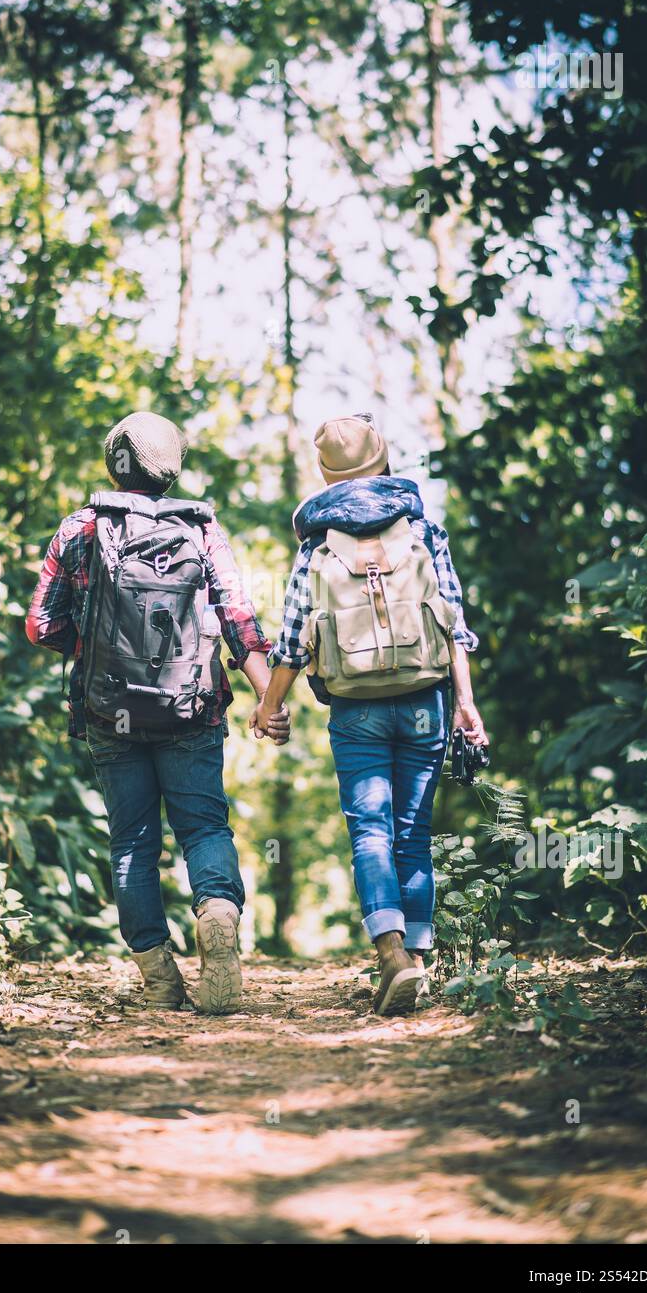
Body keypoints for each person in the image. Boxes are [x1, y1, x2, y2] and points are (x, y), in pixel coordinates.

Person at [26, 410, 289, 1014]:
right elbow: (238, 619)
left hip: (109, 708)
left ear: (114, 462)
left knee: (132, 844)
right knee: (204, 827)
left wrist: (95, 648)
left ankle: (159, 978)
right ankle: (218, 910)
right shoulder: (201, 529)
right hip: (191, 707)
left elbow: (41, 624)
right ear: (172, 469)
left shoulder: (82, 527)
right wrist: (264, 700)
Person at [252, 414, 487, 1016]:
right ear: (383, 462)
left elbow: (291, 643)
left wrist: (268, 706)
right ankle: (423, 962)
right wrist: (466, 704)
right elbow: (455, 626)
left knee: (371, 834)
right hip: (424, 703)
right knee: (413, 833)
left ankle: (391, 957)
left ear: (326, 475)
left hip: (355, 709)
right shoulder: (423, 531)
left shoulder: (316, 546)